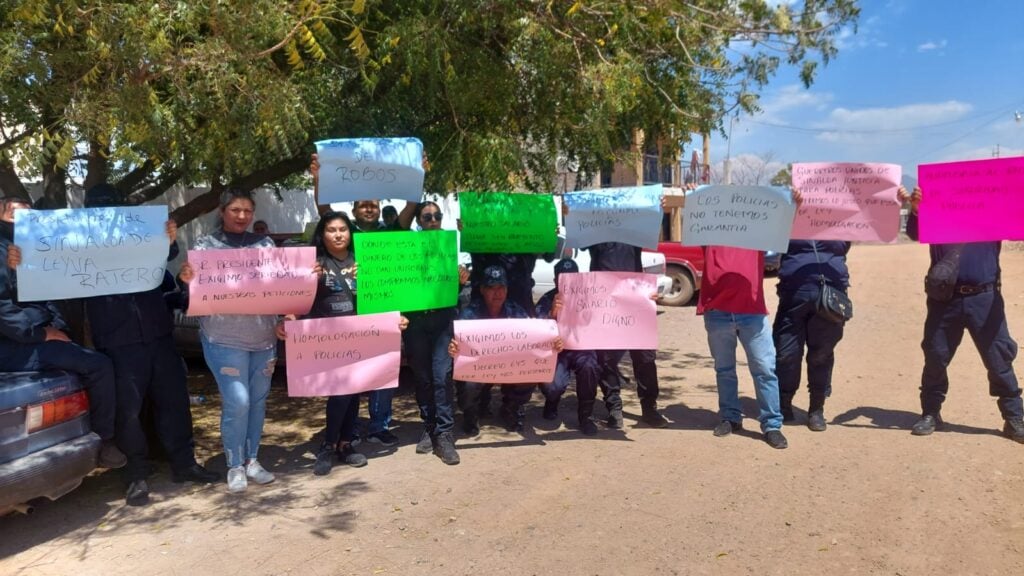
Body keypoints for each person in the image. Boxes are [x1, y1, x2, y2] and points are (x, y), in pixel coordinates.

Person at [82, 184, 219, 505]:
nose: (108, 212)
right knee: (128, 412)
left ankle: (185, 464)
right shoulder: (78, 244)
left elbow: (166, 254)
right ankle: (136, 475)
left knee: (174, 401)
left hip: (158, 333)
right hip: (117, 339)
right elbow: (51, 272)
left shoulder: (135, 229)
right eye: (100, 207)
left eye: (114, 205)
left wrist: (167, 237)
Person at [0, 195, 126, 469]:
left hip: (34, 335)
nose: (23, 222)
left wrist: (57, 328)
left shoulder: (30, 248)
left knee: (90, 360)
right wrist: (40, 335)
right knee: (99, 365)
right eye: (15, 215)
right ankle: (105, 441)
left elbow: (47, 296)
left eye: (29, 216)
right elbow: (3, 310)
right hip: (12, 345)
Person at [278, 211, 406, 475]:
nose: (338, 234)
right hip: (327, 340)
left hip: (359, 337)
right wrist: (290, 316)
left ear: (351, 233)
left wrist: (396, 318)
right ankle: (329, 445)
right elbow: (297, 301)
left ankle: (345, 444)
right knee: (340, 393)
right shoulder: (315, 264)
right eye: (331, 230)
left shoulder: (364, 262)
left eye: (343, 229)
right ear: (322, 235)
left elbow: (383, 296)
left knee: (353, 390)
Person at [309, 155, 418, 448]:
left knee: (382, 371)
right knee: (353, 374)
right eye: (363, 205)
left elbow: (410, 208)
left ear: (379, 208)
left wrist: (418, 175)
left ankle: (380, 425)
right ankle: (351, 428)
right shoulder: (347, 232)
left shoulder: (391, 232)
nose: (369, 208)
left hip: (382, 312)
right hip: (351, 315)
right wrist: (319, 179)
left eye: (373, 204)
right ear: (355, 210)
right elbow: (324, 211)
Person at [178, 189, 281, 493]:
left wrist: (303, 278)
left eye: (248, 211)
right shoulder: (205, 247)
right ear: (222, 211)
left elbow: (283, 284)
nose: (242, 216)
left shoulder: (265, 245)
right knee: (238, 401)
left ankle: (252, 460)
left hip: (263, 338)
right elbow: (191, 295)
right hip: (223, 338)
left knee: (258, 402)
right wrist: (187, 281)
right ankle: (234, 464)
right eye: (235, 210)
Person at [901, 186, 1024, 442]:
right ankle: (930, 414)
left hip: (985, 297)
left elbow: (1017, 224)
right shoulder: (936, 215)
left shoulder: (993, 216)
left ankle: (1014, 418)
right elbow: (915, 232)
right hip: (945, 300)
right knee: (935, 356)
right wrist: (916, 210)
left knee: (999, 358)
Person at [696, 189, 801, 450]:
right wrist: (692, 199)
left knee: (765, 368)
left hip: (751, 312)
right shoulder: (709, 230)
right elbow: (694, 223)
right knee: (724, 370)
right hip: (716, 311)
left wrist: (795, 207)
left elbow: (782, 231)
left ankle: (772, 424)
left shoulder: (757, 233)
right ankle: (730, 417)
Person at [450, 265, 561, 434]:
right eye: (491, 288)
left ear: (507, 289)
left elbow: (535, 337)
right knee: (469, 383)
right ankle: (470, 413)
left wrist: (551, 342)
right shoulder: (470, 314)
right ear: (482, 289)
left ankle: (511, 408)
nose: (497, 292)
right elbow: (458, 343)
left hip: (506, 368)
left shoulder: (516, 311)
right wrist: (454, 348)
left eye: (501, 287)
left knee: (530, 372)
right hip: (480, 369)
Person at [403, 201, 469, 464]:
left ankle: (444, 434)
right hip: (416, 323)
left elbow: (461, 285)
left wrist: (462, 277)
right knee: (423, 378)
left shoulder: (452, 247)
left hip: (443, 322)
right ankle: (428, 427)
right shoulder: (407, 249)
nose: (432, 220)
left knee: (442, 376)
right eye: (427, 216)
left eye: (437, 216)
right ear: (418, 221)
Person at [583, 241, 668, 428]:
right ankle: (614, 408)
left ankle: (649, 408)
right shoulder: (593, 220)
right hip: (604, 297)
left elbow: (651, 228)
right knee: (606, 357)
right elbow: (579, 239)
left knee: (645, 357)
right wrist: (567, 215)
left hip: (635, 295)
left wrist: (656, 211)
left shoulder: (634, 219)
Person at [773, 239, 851, 432]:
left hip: (831, 294)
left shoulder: (840, 217)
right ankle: (784, 402)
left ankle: (816, 409)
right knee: (786, 353)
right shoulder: (787, 215)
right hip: (793, 293)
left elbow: (844, 245)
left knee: (821, 355)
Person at [536, 259, 600, 435]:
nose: (567, 282)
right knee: (553, 385)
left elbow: (606, 316)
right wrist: (552, 314)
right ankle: (552, 401)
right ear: (555, 280)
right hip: (557, 351)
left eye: (572, 278)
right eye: (562, 278)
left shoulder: (590, 297)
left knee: (589, 367)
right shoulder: (548, 299)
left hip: (581, 348)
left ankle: (585, 417)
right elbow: (536, 331)